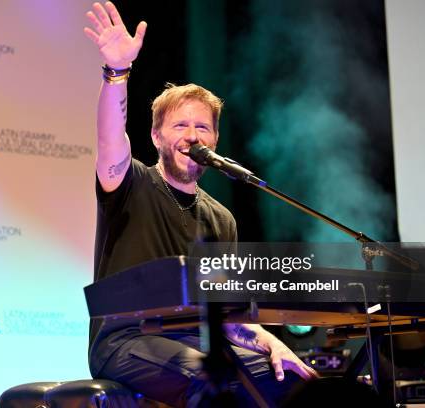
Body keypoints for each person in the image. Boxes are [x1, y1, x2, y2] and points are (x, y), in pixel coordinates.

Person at [84, 2, 318, 406]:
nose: (191, 136)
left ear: (215, 141)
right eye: (180, 125)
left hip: (199, 344)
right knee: (216, 381)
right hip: (128, 341)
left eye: (202, 127)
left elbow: (228, 319)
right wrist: (117, 72)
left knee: (289, 382)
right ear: (156, 137)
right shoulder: (131, 182)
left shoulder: (221, 219)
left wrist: (272, 345)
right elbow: (109, 139)